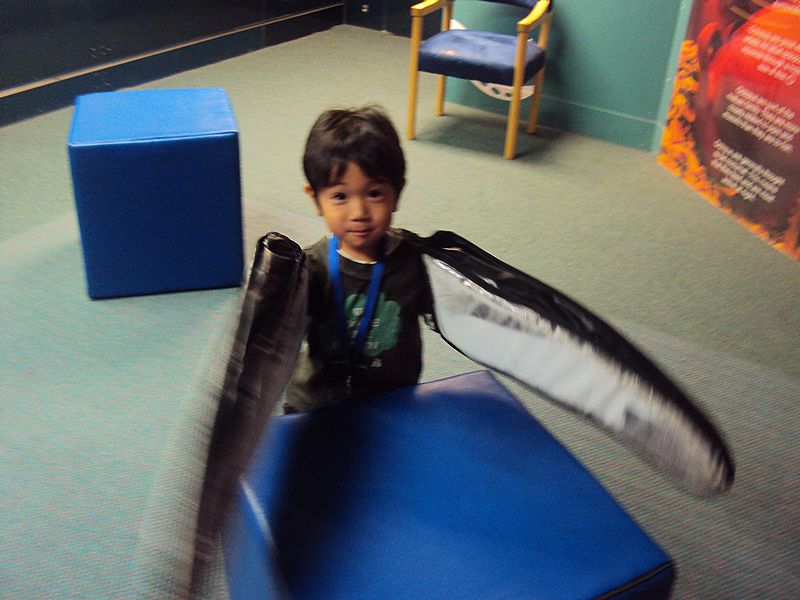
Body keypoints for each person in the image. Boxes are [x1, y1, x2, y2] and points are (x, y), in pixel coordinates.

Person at [283, 106, 433, 413]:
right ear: (315, 199)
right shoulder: (310, 268)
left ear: (397, 192)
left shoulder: (415, 262)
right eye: (340, 196)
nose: (359, 212)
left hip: (393, 402)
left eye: (374, 193)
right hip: (316, 405)